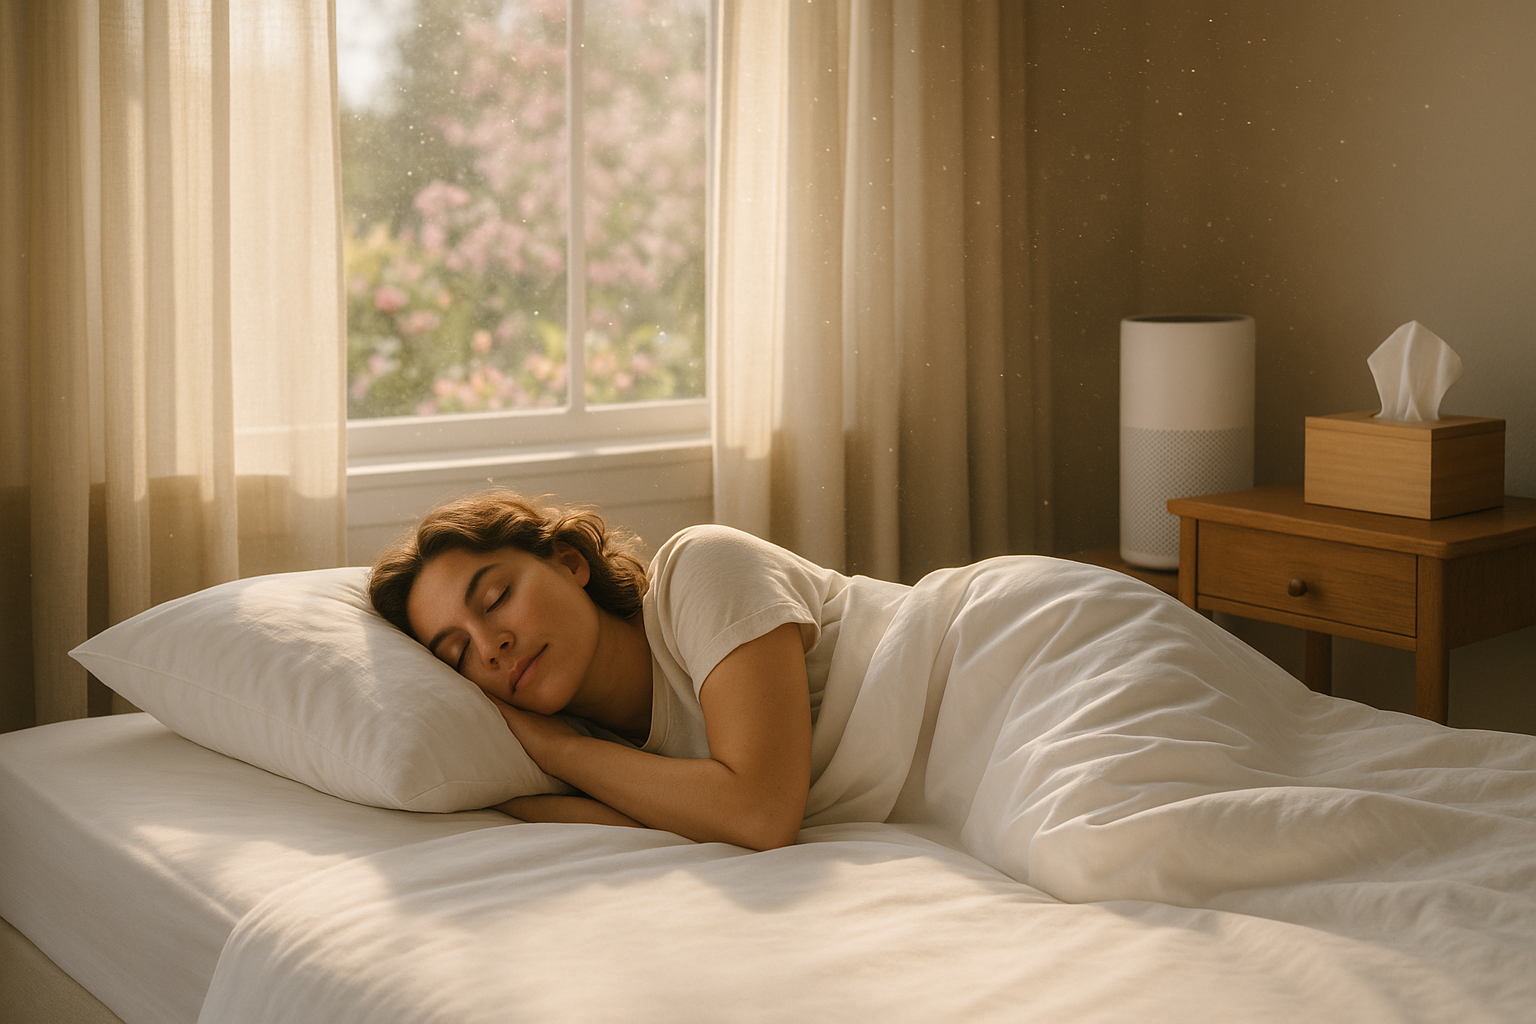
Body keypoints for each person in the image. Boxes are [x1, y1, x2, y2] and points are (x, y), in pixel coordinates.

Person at [369, 488, 889, 851]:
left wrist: (558, 749)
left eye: (497, 597)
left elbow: (760, 813)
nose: (490, 647)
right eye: (456, 654)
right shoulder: (591, 760)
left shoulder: (701, 568)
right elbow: (698, 822)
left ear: (570, 562)